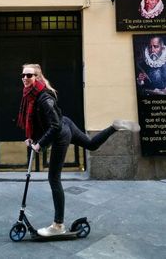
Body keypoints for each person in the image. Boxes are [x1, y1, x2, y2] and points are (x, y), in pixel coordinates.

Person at [17, 63, 140, 237]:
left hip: (60, 134)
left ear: (37, 77)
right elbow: (39, 121)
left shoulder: (44, 98)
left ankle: (58, 226)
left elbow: (53, 126)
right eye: (23, 75)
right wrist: (32, 138)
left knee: (54, 179)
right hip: (66, 124)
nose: (24, 78)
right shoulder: (31, 95)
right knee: (91, 145)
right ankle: (115, 126)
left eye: (29, 75)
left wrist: (39, 144)